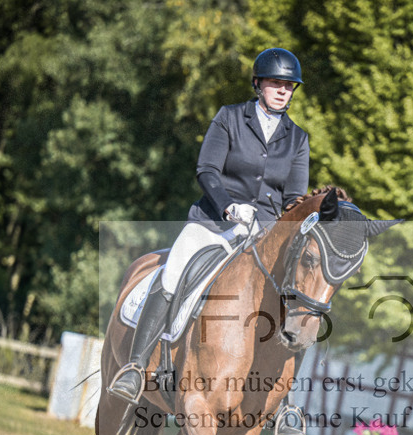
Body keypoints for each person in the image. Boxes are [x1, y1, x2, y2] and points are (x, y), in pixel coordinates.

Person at [109, 48, 310, 404]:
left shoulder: (297, 138)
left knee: (296, 298)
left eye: (289, 86)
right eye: (276, 83)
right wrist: (230, 206)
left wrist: (278, 229)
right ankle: (135, 367)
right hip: (216, 222)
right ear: (258, 83)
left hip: (263, 233)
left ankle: (284, 403)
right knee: (173, 273)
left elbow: (293, 197)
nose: (283, 91)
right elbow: (207, 171)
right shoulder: (230, 118)